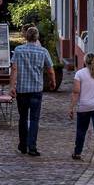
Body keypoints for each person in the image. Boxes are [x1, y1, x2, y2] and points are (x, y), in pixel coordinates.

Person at [9, 25, 55, 157]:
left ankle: (23, 145)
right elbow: (50, 70)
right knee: (34, 119)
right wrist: (53, 82)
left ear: (26, 37)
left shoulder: (18, 50)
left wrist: (12, 87)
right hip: (36, 89)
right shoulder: (43, 51)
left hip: (22, 89)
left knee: (22, 118)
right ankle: (32, 147)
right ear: (37, 37)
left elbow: (14, 69)